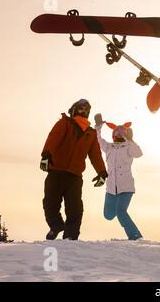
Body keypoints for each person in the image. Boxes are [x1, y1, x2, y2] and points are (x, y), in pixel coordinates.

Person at [40, 99, 108, 240]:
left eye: (86, 110)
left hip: (74, 176)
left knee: (75, 208)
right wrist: (46, 154)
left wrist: (102, 172)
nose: (83, 111)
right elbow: (53, 138)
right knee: (50, 204)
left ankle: (71, 237)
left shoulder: (91, 133)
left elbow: (95, 155)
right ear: (73, 110)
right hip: (56, 172)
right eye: (80, 108)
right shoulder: (65, 123)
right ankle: (56, 225)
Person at [94, 114, 143, 240]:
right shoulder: (109, 147)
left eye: (122, 133)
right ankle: (118, 211)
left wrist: (131, 140)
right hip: (111, 189)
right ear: (113, 135)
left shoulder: (128, 148)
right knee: (108, 215)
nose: (119, 135)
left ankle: (135, 236)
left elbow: (139, 153)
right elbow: (98, 140)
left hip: (126, 188)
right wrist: (98, 127)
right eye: (117, 133)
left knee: (121, 212)